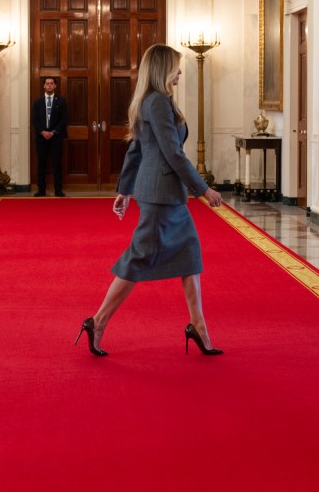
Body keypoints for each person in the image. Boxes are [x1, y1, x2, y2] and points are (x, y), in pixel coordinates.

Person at [76, 44, 225, 357]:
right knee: (139, 258)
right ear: (163, 70)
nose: (180, 72)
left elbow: (136, 149)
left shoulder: (156, 100)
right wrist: (203, 189)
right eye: (176, 67)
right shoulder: (156, 102)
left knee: (189, 255)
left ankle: (198, 325)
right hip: (161, 194)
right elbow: (173, 153)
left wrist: (125, 189)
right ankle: (98, 321)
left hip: (165, 193)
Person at [30, 76, 68, 196]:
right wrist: (43, 131)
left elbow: (64, 119)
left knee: (57, 164)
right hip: (41, 137)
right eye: (47, 83)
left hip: (56, 137)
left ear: (55, 86)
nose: (49, 85)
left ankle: (58, 190)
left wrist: (53, 132)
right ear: (44, 86)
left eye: (52, 83)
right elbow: (34, 119)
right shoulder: (38, 102)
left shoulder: (61, 101)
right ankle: (41, 190)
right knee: (41, 164)